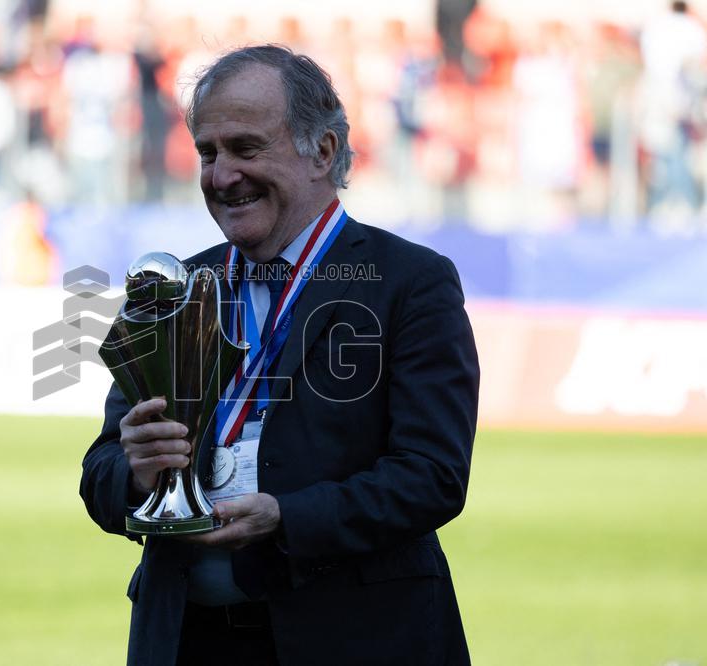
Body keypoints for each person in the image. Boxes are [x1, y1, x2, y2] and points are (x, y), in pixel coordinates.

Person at [80, 45, 479, 666]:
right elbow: (100, 473)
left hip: (354, 639)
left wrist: (287, 517)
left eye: (245, 148)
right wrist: (136, 471)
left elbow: (432, 475)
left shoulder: (409, 281)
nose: (220, 175)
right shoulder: (174, 288)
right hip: (186, 640)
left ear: (321, 152)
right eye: (207, 153)